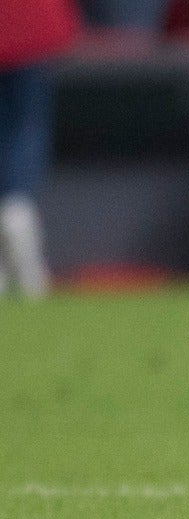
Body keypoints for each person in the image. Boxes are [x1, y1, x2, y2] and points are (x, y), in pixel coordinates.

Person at [0, 0, 79, 300]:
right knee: (26, 128)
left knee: (22, 126)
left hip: (29, 23)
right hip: (30, 21)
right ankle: (16, 213)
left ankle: (13, 219)